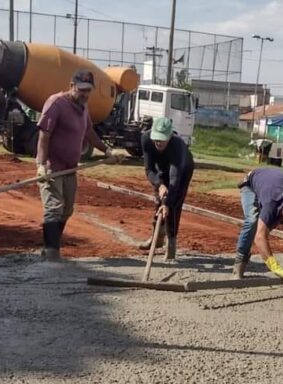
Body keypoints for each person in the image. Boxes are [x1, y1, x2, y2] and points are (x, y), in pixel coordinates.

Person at [36, 69, 119, 261]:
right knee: (54, 208)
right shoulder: (56, 103)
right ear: (71, 86)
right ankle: (51, 254)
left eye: (88, 90)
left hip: (70, 168)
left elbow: (89, 132)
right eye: (81, 89)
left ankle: (49, 249)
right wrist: (42, 164)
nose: (85, 94)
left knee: (66, 210)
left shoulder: (82, 108)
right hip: (52, 167)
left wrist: (107, 151)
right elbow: (44, 135)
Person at [139, 117, 195, 261]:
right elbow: (149, 170)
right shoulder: (146, 139)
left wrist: (167, 204)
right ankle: (157, 238)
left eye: (162, 139)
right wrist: (160, 185)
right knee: (158, 202)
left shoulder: (178, 146)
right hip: (161, 168)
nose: (158, 142)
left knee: (173, 205)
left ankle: (171, 244)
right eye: (156, 139)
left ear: (170, 136)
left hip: (182, 169)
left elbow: (175, 179)